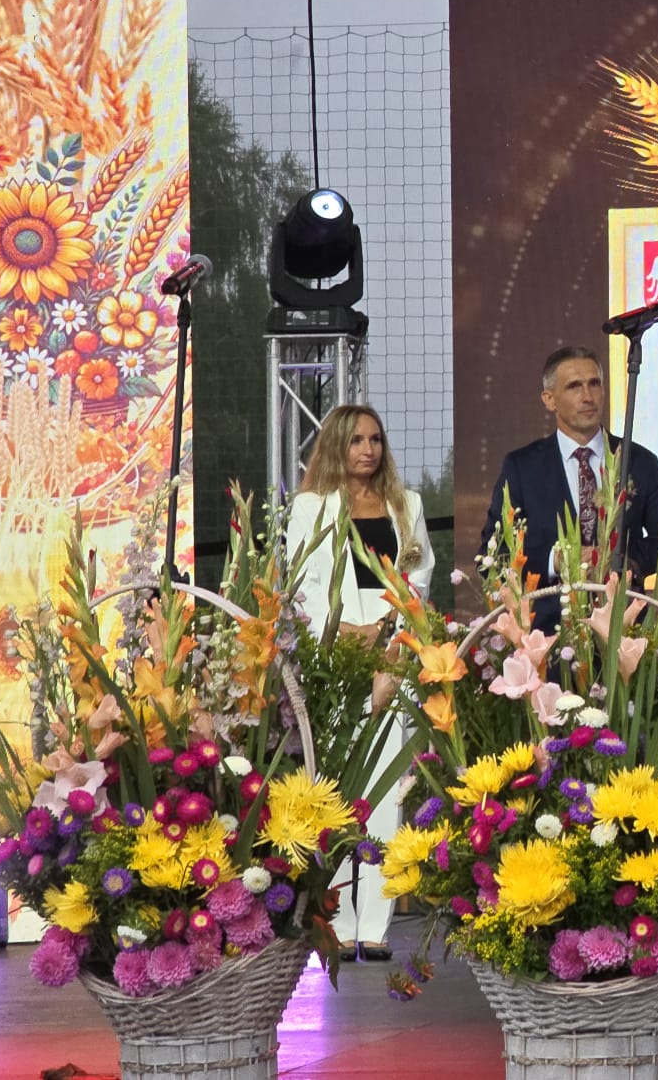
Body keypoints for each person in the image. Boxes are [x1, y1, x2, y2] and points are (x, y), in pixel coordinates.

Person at [285, 404, 433, 961]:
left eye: (375, 439)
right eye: (356, 441)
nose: (367, 450)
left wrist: (388, 634)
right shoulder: (311, 507)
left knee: (387, 788)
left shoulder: (407, 504)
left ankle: (375, 924)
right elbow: (300, 584)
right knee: (339, 786)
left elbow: (419, 580)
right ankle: (339, 920)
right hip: (334, 651)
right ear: (337, 447)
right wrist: (346, 632)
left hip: (393, 650)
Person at [482, 345, 658, 630]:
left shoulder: (637, 461)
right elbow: (492, 557)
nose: (587, 396)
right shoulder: (522, 467)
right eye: (574, 387)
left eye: (594, 384)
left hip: (624, 631)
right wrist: (555, 561)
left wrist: (618, 561)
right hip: (545, 636)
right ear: (549, 399)